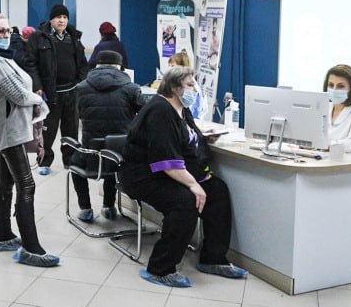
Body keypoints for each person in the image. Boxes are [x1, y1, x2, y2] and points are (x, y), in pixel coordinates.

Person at [120, 66, 247, 287]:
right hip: (144, 176)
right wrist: (194, 185)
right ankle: (160, 269)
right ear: (174, 87)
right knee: (185, 202)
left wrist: (203, 138)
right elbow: (166, 160)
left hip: (167, 173)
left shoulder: (181, 109)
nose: (195, 89)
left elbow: (185, 137)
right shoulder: (160, 111)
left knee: (217, 191)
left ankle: (213, 258)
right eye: (190, 85)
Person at [0, 9, 60, 267]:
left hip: (16, 126)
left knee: (6, 182)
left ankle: (3, 235)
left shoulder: (4, 57)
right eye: (0, 31)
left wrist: (34, 101)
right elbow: (20, 95)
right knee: (27, 185)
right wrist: (40, 101)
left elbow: (23, 90)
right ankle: (30, 249)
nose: (6, 34)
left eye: (8, 29)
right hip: (9, 130)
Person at [72, 50, 145, 221]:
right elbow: (145, 114)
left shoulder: (81, 88)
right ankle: (109, 206)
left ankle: (85, 209)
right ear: (120, 67)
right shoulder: (132, 88)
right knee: (113, 158)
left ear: (97, 66)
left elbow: (79, 114)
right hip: (121, 156)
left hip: (91, 155)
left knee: (74, 164)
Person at [25, 4, 88, 175]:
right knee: (48, 130)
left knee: (71, 130)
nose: (62, 20)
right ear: (51, 19)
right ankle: (44, 162)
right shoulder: (39, 37)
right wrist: (37, 85)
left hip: (72, 91)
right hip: (50, 93)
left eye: (65, 17)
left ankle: (71, 161)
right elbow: (31, 64)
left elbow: (83, 64)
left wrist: (81, 82)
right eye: (58, 17)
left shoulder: (74, 37)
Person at [168, 51, 207, 121]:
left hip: (190, 121)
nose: (170, 70)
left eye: (173, 66)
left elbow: (187, 110)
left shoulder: (188, 85)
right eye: (170, 66)